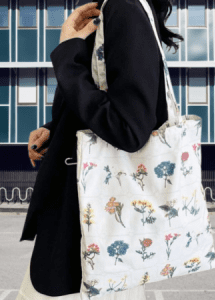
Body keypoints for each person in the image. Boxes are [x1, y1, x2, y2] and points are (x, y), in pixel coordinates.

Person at [16, 0, 184, 299]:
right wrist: (55, 130)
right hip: (94, 226)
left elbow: (129, 129)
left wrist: (68, 52)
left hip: (90, 228)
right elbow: (110, 107)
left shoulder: (124, 9)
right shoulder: (114, 10)